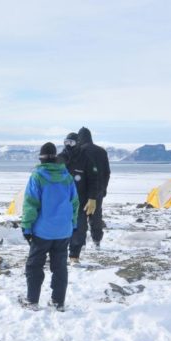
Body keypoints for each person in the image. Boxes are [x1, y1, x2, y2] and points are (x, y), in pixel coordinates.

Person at [20, 142, 78, 312]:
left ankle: (32, 300)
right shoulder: (67, 177)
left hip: (42, 231)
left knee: (34, 266)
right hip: (63, 231)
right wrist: (73, 224)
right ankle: (58, 302)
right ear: (56, 158)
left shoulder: (37, 176)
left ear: (41, 158)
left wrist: (26, 227)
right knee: (60, 267)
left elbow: (30, 204)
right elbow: (75, 203)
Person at [57, 128, 99, 263]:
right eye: (66, 142)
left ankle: (74, 255)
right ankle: (59, 254)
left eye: (72, 142)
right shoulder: (59, 159)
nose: (68, 145)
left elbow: (94, 180)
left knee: (79, 229)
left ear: (78, 143)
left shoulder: (86, 159)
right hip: (61, 201)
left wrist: (92, 198)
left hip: (81, 201)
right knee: (60, 227)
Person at [75, 127, 110, 250]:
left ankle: (81, 243)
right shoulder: (101, 151)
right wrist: (104, 188)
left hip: (81, 190)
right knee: (96, 215)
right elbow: (107, 172)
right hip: (97, 190)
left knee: (81, 216)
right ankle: (97, 241)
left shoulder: (79, 151)